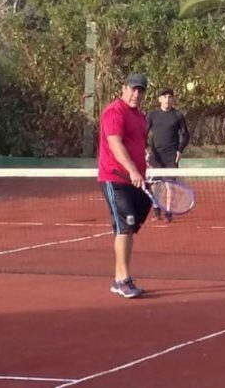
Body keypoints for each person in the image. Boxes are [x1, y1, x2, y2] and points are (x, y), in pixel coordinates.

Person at [97, 73, 152, 299]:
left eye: (140, 90)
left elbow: (138, 145)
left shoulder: (141, 117)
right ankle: (122, 280)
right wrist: (131, 169)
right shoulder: (114, 112)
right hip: (115, 178)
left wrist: (142, 167)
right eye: (132, 89)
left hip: (135, 180)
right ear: (123, 89)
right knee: (124, 227)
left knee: (129, 229)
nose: (136, 94)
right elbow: (115, 143)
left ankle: (121, 278)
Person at [146, 88, 189, 223]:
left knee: (170, 186)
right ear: (159, 99)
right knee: (154, 185)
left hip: (171, 157)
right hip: (155, 156)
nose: (167, 99)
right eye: (164, 97)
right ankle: (157, 210)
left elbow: (185, 135)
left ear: (173, 100)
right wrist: (145, 150)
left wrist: (179, 150)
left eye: (170, 97)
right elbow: (142, 133)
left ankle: (168, 213)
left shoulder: (178, 115)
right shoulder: (152, 115)